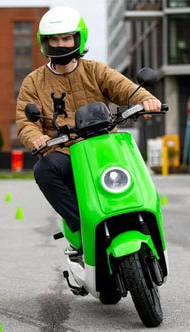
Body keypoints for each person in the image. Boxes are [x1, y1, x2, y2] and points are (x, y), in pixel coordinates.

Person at [14, 6, 162, 249]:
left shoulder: (95, 70)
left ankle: (142, 219)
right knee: (44, 170)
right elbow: (25, 121)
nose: (60, 45)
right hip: (65, 152)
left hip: (104, 145)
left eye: (66, 38)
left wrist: (145, 99)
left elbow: (123, 87)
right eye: (54, 39)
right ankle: (81, 228)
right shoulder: (33, 82)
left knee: (134, 172)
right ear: (44, 42)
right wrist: (36, 138)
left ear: (78, 38)